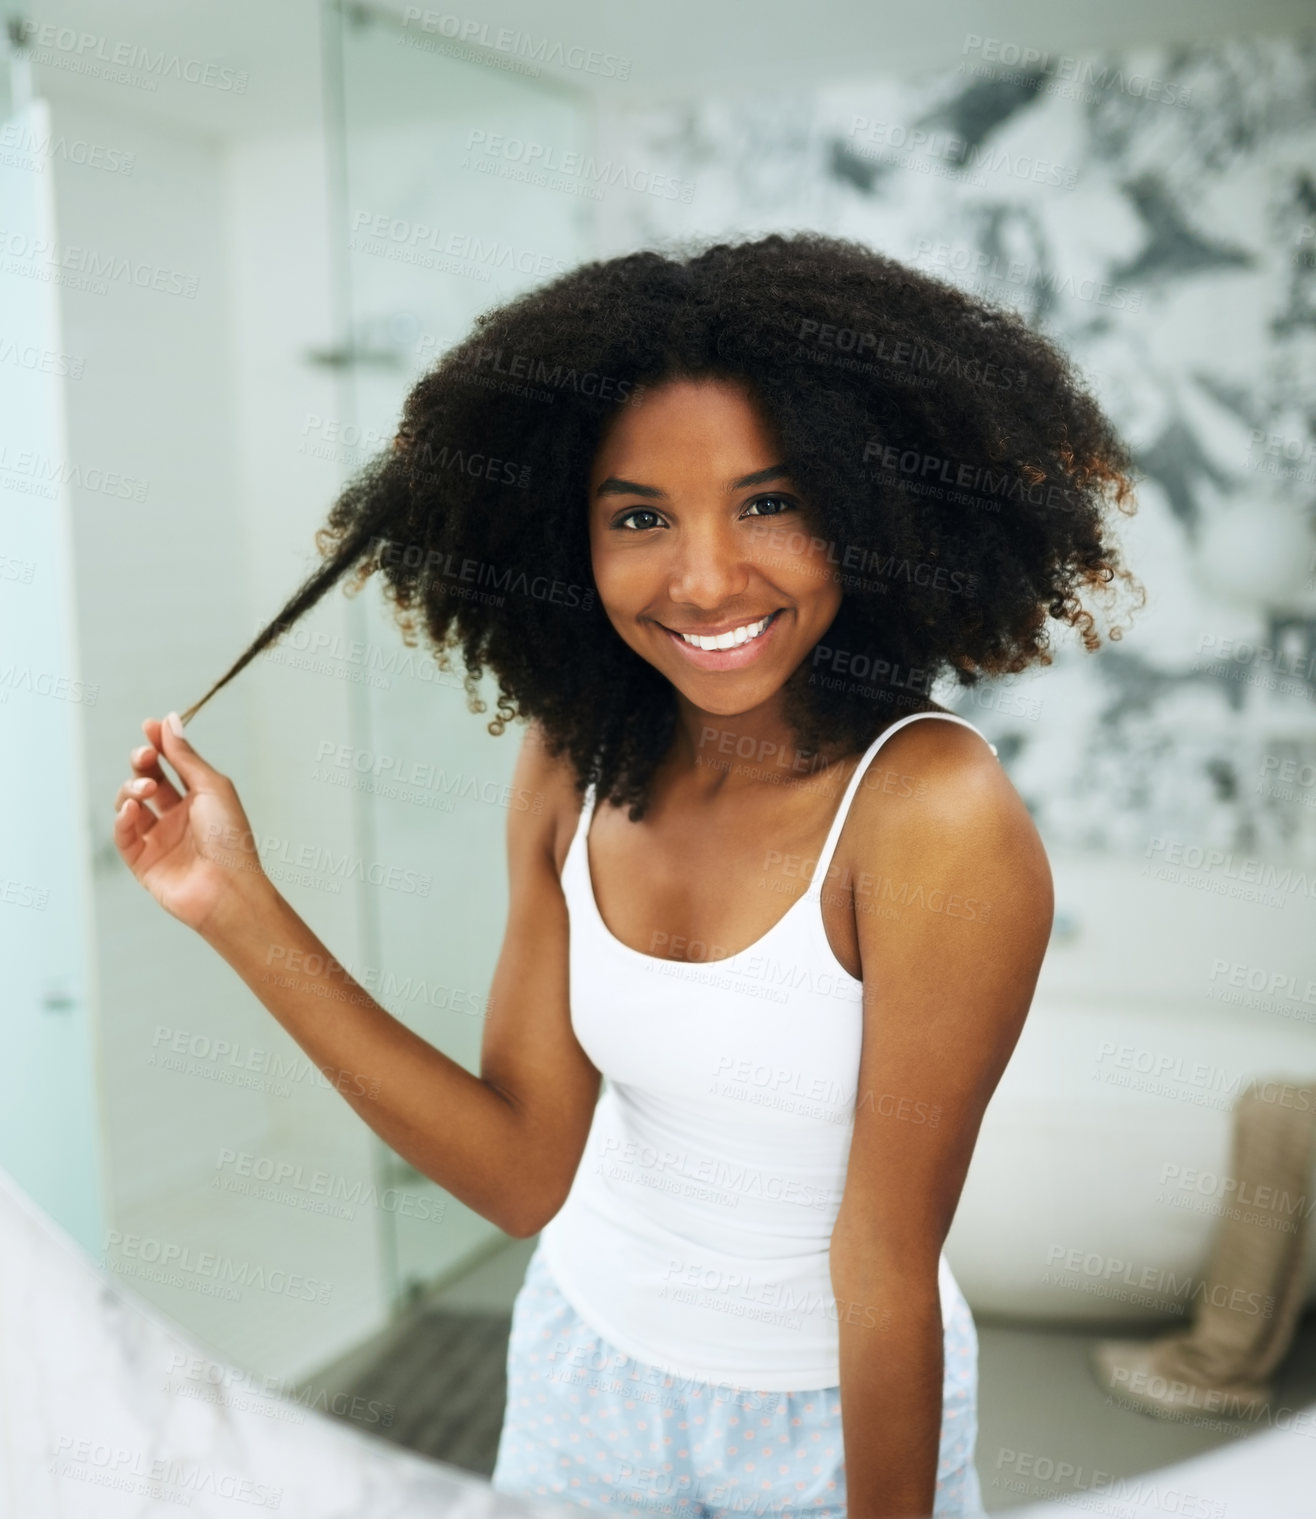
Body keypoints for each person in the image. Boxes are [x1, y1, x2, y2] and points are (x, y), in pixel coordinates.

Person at [112, 232, 1141, 1518]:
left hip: (819, 1421)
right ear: (566, 539)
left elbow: (884, 1266)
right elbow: (523, 1169)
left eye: (770, 501)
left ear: (869, 513)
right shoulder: (571, 761)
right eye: (639, 517)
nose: (706, 576)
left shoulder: (929, 811)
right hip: (581, 1371)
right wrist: (235, 907)